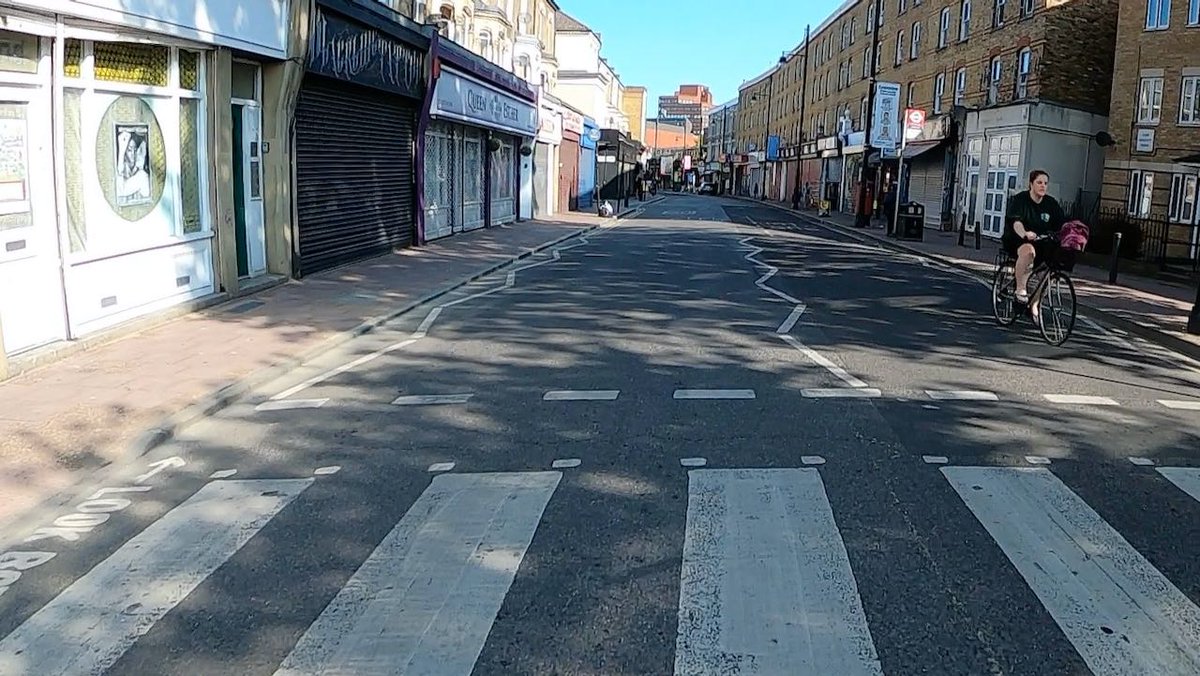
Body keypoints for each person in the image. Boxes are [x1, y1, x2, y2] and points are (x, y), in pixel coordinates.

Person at [1003, 169, 1065, 303]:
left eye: (1045, 183)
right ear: (1031, 184)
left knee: (1046, 275)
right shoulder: (1021, 200)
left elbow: (1061, 222)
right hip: (1018, 241)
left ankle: (1034, 305)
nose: (1043, 186)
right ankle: (1020, 289)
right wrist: (1024, 234)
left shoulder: (1051, 203)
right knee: (1028, 252)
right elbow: (1016, 221)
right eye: (1039, 182)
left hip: (1042, 244)